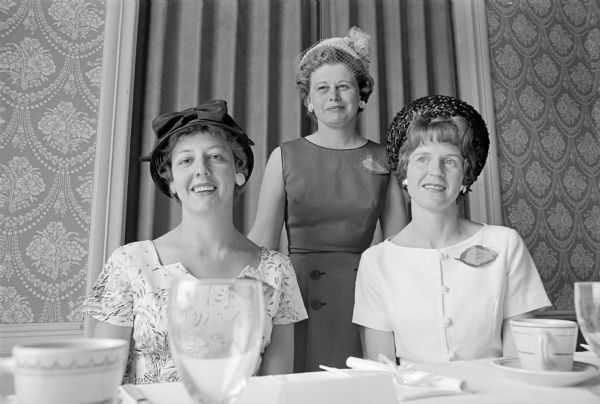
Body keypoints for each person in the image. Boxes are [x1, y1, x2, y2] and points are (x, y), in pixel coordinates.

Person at [81, 100, 308, 384]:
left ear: (239, 172)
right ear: (172, 180)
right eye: (186, 160)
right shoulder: (129, 263)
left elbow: (276, 389)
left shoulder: (278, 270)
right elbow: (99, 383)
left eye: (216, 157)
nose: (201, 169)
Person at [248, 27, 407, 372]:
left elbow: (400, 249)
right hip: (298, 295)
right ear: (308, 100)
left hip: (363, 296)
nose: (333, 96)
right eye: (322, 88)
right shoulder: (284, 156)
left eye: (344, 86)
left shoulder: (386, 160)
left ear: (361, 95)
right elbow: (262, 240)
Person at [353, 95, 551, 363]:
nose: (436, 171)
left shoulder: (505, 244)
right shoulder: (376, 262)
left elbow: (520, 360)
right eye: (422, 159)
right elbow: (382, 370)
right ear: (404, 173)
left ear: (465, 177)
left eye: (450, 161)